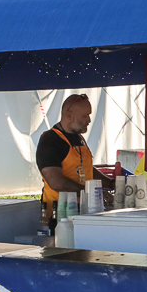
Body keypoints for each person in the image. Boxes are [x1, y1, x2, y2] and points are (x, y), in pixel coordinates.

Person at [35, 94, 96, 229]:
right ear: (69, 116)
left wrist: (111, 183)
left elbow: (87, 169)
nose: (89, 120)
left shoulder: (79, 138)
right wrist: (88, 192)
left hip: (82, 209)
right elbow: (56, 182)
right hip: (57, 214)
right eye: (85, 116)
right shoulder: (50, 140)